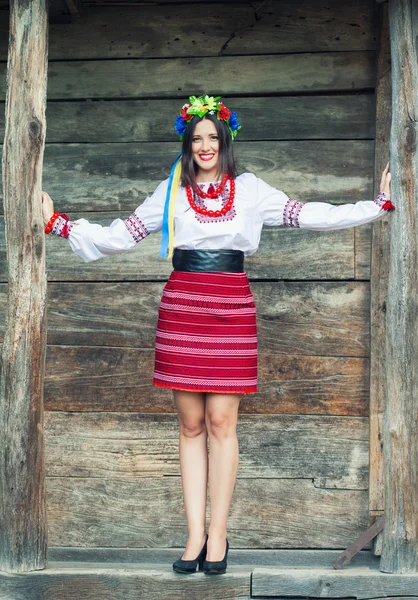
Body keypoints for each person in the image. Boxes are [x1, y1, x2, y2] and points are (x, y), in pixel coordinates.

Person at [42, 94, 393, 576]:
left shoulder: (249, 190)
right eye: (196, 138)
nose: (205, 146)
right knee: (189, 425)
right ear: (186, 144)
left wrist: (377, 206)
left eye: (213, 137)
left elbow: (310, 213)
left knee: (222, 422)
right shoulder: (171, 191)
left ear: (225, 141)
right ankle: (194, 535)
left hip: (231, 305)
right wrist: (57, 223)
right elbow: (120, 234)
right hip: (183, 304)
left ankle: (219, 535)